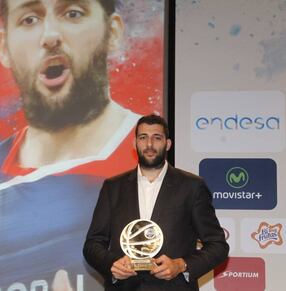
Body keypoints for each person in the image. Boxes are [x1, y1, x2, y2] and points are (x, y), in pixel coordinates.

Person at [0, 0, 147, 290]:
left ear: (112, 32)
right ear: (4, 47)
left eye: (72, 13)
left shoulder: (157, 166)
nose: (49, 36)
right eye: (29, 19)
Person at [83, 114, 229, 291]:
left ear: (167, 144)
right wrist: (112, 264)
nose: (149, 145)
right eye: (143, 138)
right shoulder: (113, 187)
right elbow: (92, 245)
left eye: (156, 138)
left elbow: (218, 246)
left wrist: (181, 265)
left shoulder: (192, 187)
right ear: (135, 143)